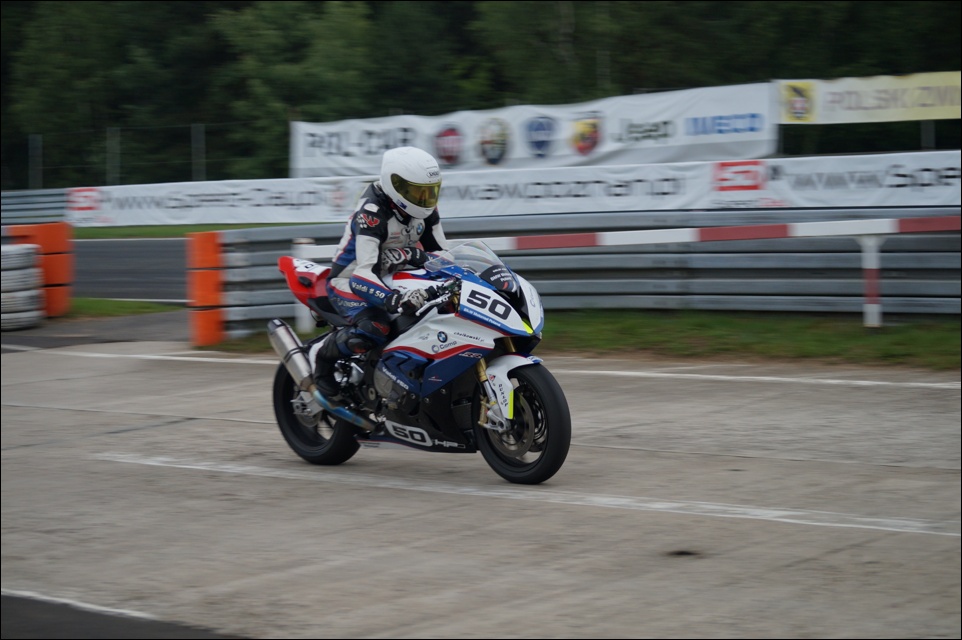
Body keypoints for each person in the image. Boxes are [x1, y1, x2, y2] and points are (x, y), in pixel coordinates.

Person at [309, 146, 450, 400]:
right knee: (377, 327)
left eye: (430, 191)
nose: (425, 198)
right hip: (349, 280)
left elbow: (444, 257)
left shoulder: (426, 210)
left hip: (390, 275)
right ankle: (323, 357)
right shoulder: (372, 213)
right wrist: (394, 299)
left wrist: (412, 256)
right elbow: (362, 275)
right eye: (417, 191)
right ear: (395, 185)